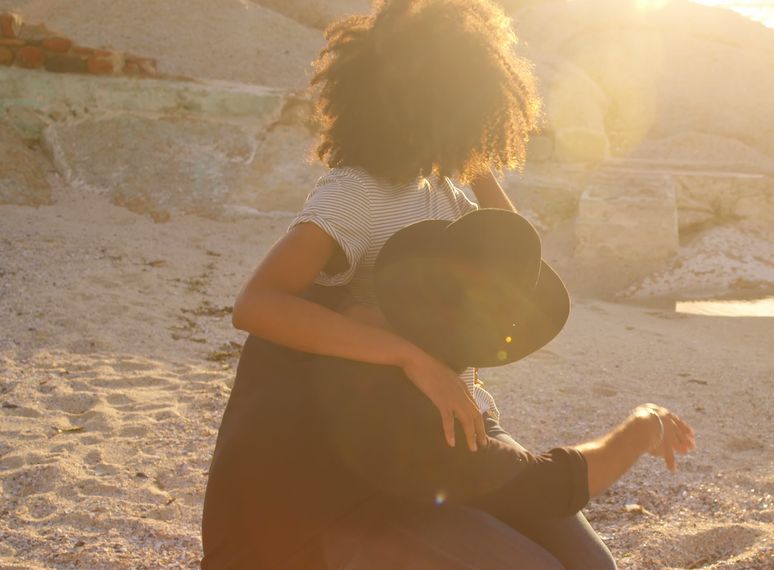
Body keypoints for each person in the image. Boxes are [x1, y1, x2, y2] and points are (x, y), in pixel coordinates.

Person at [200, 1, 695, 568]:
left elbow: (518, 272)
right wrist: (411, 358)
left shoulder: (440, 188)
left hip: (448, 421)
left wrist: (473, 162)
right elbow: (257, 304)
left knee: (592, 565)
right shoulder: (357, 192)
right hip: (367, 441)